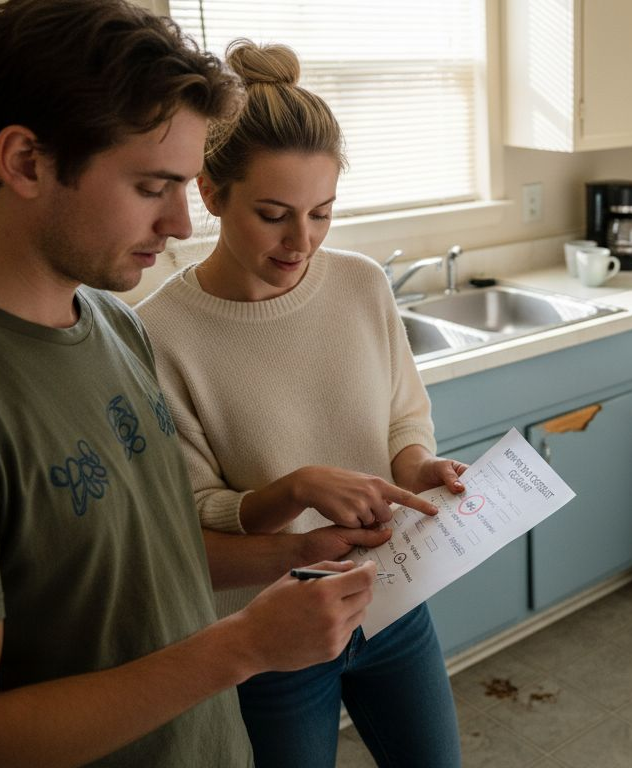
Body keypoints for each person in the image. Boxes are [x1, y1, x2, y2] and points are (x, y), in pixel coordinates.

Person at [0, 3, 392, 766]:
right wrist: (241, 648)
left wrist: (299, 553)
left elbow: (150, 555)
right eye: (154, 187)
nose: (184, 224)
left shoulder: (112, 326)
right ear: (25, 162)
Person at [135, 40, 464, 768]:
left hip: (391, 600)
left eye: (322, 213)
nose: (302, 241)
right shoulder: (160, 333)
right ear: (212, 195)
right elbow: (196, 508)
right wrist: (291, 490)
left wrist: (417, 464)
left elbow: (403, 414)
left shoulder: (360, 284)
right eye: (276, 213)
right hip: (271, 628)